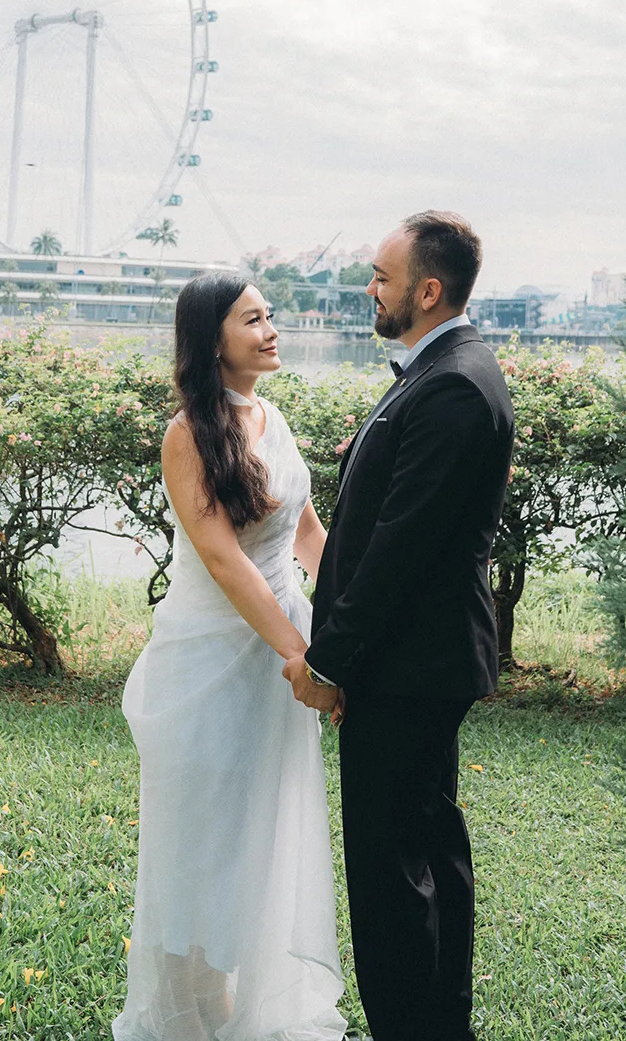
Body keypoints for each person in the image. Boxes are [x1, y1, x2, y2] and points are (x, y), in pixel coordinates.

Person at [284, 211, 515, 1041]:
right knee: (429, 847)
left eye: (381, 277)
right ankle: (443, 1022)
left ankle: (414, 1027)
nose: (369, 289)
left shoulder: (453, 382)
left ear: (427, 289)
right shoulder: (440, 370)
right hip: (417, 663)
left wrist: (331, 659)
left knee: (391, 873)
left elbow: (401, 547)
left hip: (407, 668)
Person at [113, 273, 347, 1041]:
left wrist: (350, 620)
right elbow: (222, 559)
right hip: (211, 666)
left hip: (277, 663)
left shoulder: (271, 417)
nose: (273, 329)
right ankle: (195, 1019)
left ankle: (245, 1009)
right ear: (213, 336)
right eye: (254, 319)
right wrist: (299, 655)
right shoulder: (187, 434)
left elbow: (308, 536)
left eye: (271, 316)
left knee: (256, 840)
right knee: (201, 849)